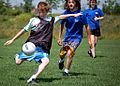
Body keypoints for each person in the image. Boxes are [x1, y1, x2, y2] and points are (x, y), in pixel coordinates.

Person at [4, 1, 82, 84]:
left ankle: (33, 78)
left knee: (46, 61)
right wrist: (13, 39)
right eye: (40, 12)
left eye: (43, 12)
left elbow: (62, 16)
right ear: (38, 11)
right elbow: (24, 30)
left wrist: (73, 15)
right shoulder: (34, 20)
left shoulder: (51, 20)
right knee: (18, 62)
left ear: (47, 11)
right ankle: (17, 56)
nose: (41, 14)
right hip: (32, 45)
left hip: (43, 48)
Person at [57, 0, 91, 76]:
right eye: (69, 2)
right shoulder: (65, 13)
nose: (70, 4)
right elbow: (61, 25)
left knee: (70, 53)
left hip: (77, 37)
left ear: (76, 3)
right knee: (62, 54)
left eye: (72, 2)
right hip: (67, 37)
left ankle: (66, 71)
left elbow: (87, 26)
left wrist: (89, 40)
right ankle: (61, 60)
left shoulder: (82, 14)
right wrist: (59, 37)